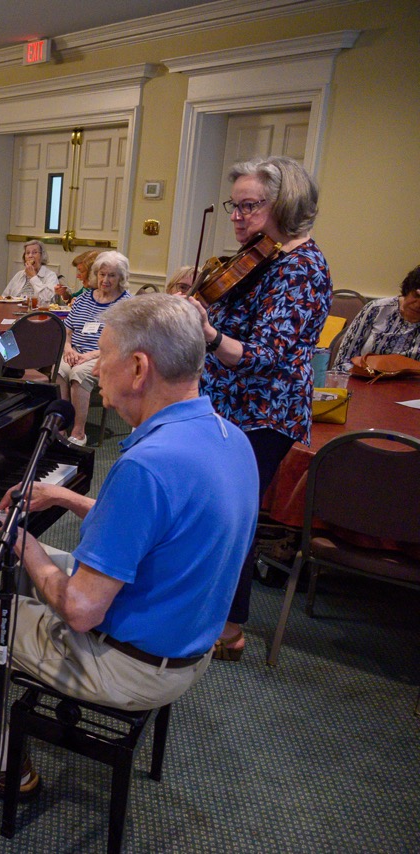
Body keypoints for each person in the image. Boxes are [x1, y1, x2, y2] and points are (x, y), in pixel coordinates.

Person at [0, 295, 259, 797]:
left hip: (129, 664)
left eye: (103, 354)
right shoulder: (228, 436)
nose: (95, 366)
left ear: (139, 367)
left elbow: (80, 610)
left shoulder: (147, 466)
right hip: (187, 636)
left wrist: (20, 540)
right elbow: (164, 523)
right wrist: (65, 497)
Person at [186, 155, 331, 661]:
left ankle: (229, 629)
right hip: (227, 405)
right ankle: (213, 613)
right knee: (219, 513)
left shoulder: (302, 269)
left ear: (285, 206)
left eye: (251, 206)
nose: (237, 216)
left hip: (263, 413)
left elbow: (267, 357)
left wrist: (209, 335)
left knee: (235, 519)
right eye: (236, 205)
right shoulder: (258, 259)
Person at [57, 250, 132, 446]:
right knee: (59, 371)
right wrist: (68, 349)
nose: (105, 280)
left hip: (106, 358)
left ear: (121, 278)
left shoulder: (126, 304)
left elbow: (125, 342)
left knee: (79, 375)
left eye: (111, 275)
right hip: (74, 354)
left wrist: (90, 355)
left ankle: (79, 433)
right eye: (102, 274)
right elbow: (67, 330)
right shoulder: (83, 299)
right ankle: (61, 427)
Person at [331, 264, 420, 371]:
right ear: (408, 289)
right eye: (416, 295)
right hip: (364, 382)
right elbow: (342, 362)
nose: (418, 305)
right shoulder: (377, 309)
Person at [3, 240, 59, 304]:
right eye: (27, 253)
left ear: (42, 255)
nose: (30, 256)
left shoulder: (50, 276)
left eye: (34, 252)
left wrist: (33, 277)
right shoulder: (19, 275)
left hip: (37, 312)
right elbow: (5, 297)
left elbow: (48, 300)